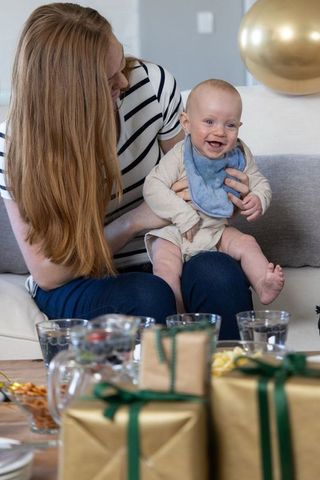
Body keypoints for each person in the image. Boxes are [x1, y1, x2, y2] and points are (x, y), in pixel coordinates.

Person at [0, 3, 252, 337]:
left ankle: (232, 383)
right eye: (109, 80)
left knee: (220, 274)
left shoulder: (149, 86)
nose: (124, 79)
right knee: (147, 296)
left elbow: (191, 184)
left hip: (164, 249)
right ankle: (162, 389)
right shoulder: (15, 145)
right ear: (74, 97)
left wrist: (225, 194)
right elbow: (48, 272)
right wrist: (135, 220)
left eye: (122, 61)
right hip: (77, 280)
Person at [143, 79, 284, 313]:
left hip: (215, 230)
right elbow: (153, 186)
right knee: (165, 267)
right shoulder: (180, 155)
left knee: (247, 243)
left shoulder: (238, 153)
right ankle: (175, 312)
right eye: (209, 121)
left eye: (230, 125)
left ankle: (263, 283)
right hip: (174, 231)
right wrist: (181, 214)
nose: (219, 131)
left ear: (239, 126)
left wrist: (258, 198)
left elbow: (259, 181)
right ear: (186, 123)